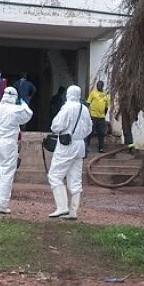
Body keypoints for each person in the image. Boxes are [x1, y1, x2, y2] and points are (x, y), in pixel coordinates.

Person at [47, 85, 92, 220]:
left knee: (54, 176)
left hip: (67, 145)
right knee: (75, 179)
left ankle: (62, 207)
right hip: (80, 145)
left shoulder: (67, 107)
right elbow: (89, 128)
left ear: (68, 94)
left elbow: (56, 126)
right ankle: (73, 212)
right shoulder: (84, 109)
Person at [0, 87, 32, 214]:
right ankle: (2, 204)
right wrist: (23, 103)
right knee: (6, 173)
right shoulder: (16, 110)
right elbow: (28, 114)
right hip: (7, 144)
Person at [86, 80, 110, 153]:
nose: (98, 87)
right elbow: (88, 103)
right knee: (90, 131)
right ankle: (86, 147)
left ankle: (101, 148)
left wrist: (104, 114)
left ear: (102, 86)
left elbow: (107, 107)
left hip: (101, 117)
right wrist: (88, 114)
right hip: (93, 116)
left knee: (101, 133)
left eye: (100, 85)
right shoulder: (93, 93)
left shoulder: (105, 95)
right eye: (97, 85)